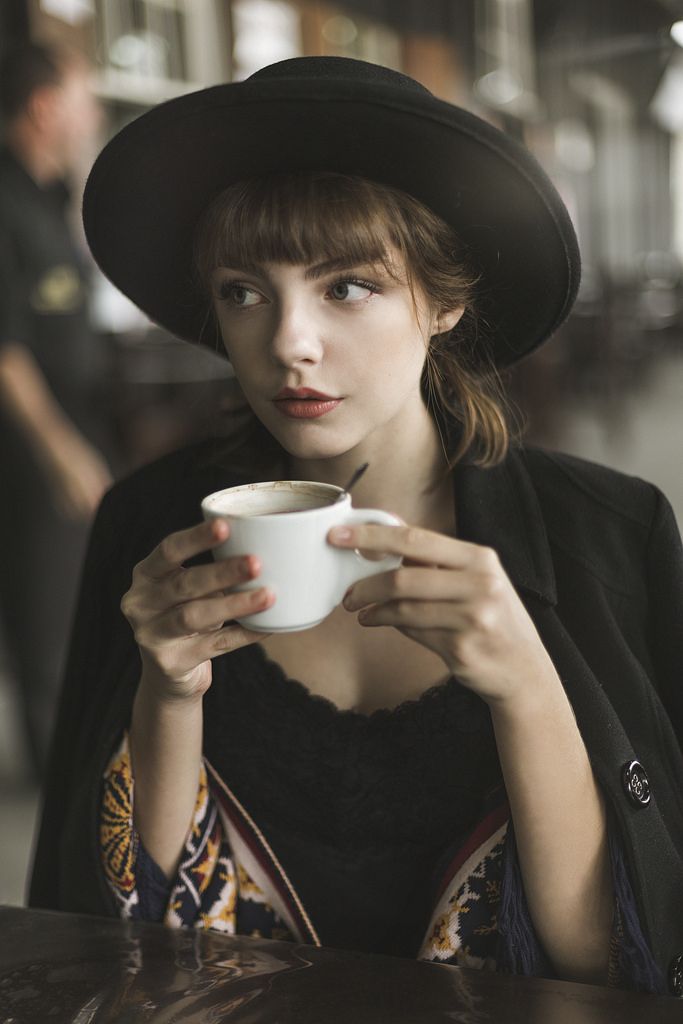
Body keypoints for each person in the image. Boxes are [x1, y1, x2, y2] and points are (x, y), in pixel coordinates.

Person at [28, 57, 683, 997]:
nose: (288, 341)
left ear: (445, 301)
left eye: (347, 287)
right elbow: (133, 939)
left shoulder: (609, 537)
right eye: (243, 291)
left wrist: (528, 683)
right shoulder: (150, 530)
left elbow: (604, 966)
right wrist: (166, 695)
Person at [0, 42, 113, 779]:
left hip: (76, 429)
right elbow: (4, 349)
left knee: (76, 618)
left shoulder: (45, 194)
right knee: (47, 633)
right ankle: (58, 797)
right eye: (84, 95)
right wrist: (61, 452)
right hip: (29, 457)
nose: (94, 111)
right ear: (46, 107)